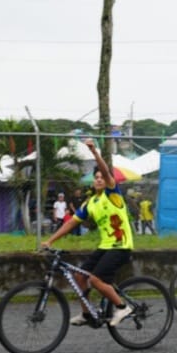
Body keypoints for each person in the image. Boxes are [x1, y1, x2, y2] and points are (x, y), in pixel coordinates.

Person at [42, 138, 134, 327]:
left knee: (95, 279)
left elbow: (106, 172)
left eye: (102, 177)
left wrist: (94, 152)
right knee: (79, 276)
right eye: (96, 177)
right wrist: (50, 241)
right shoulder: (90, 203)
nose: (99, 179)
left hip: (121, 246)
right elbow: (71, 223)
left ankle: (122, 307)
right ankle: (87, 315)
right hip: (105, 246)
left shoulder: (113, 194)